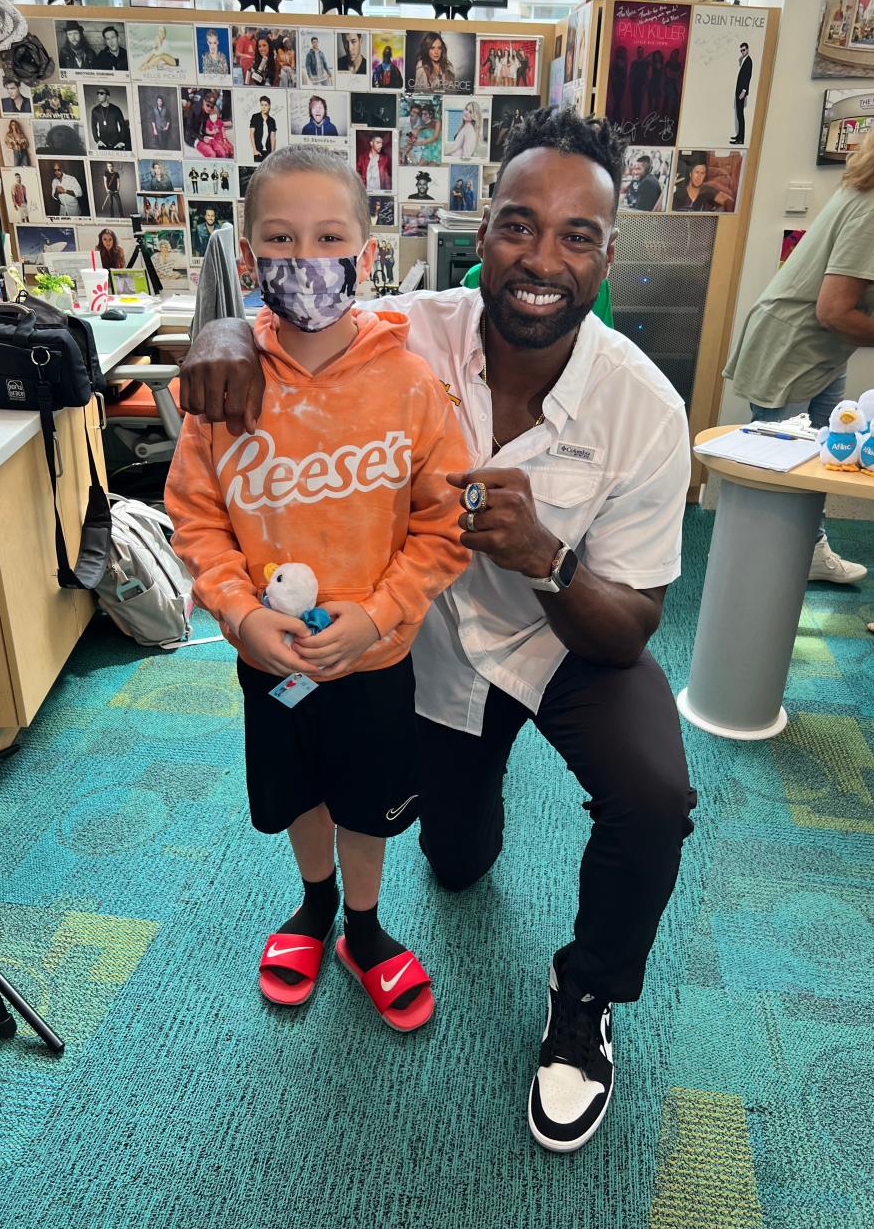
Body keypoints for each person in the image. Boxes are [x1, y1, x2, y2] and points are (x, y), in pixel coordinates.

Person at [177, 107, 697, 1154]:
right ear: (481, 233)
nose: (540, 257)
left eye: (575, 235)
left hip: (566, 638)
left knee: (655, 794)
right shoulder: (409, 329)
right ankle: (383, 876)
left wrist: (546, 552)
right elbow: (297, 307)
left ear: (606, 253)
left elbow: (632, 623)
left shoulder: (643, 407)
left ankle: (586, 995)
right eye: (517, 224)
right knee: (455, 861)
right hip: (429, 650)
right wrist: (220, 328)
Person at [164, 145, 470, 1032]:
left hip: (377, 656)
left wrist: (378, 614)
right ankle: (316, 903)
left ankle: (365, 929)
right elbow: (196, 513)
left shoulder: (412, 385)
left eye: (331, 236)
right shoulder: (224, 385)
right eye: (282, 239)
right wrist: (237, 611)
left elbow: (443, 523)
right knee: (298, 793)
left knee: (369, 800)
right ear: (251, 259)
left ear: (367, 253)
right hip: (272, 655)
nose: (308, 258)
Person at [724, 101, 874, 584]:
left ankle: (806, 550)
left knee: (821, 459)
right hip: (796, 349)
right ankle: (752, 570)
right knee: (778, 470)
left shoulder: (871, 195)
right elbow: (833, 310)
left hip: (818, 352)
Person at [731, 41, 753, 145]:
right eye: (741, 50)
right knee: (739, 115)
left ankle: (741, 139)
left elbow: (747, 78)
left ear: (747, 49)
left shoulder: (748, 61)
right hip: (739, 91)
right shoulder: (744, 60)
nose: (742, 52)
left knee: (740, 115)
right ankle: (739, 136)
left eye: (744, 50)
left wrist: (744, 91)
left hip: (741, 92)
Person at [249, 95, 277, 162]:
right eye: (262, 105)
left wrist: (272, 153)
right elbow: (251, 134)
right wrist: (255, 150)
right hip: (258, 151)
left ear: (269, 106)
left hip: (268, 153)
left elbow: (272, 137)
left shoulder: (272, 120)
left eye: (266, 105)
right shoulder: (255, 117)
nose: (263, 107)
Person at [628, 45, 649, 122]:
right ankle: (634, 118)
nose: (640, 53)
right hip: (634, 85)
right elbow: (630, 74)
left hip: (641, 86)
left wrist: (645, 85)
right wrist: (630, 84)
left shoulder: (646, 63)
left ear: (643, 52)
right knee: (634, 102)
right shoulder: (633, 63)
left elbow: (647, 75)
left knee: (639, 103)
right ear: (637, 53)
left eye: (641, 51)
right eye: (638, 51)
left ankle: (637, 119)